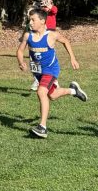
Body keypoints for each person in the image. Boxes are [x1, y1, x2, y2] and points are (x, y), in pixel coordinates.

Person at [16, 9, 87, 138]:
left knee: (41, 92)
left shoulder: (51, 35)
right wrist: (21, 62)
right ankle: (74, 91)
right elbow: (20, 51)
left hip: (51, 69)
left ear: (42, 21)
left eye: (33, 20)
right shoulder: (28, 36)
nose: (30, 22)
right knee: (52, 95)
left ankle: (42, 127)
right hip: (38, 71)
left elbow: (66, 41)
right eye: (29, 20)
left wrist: (72, 58)